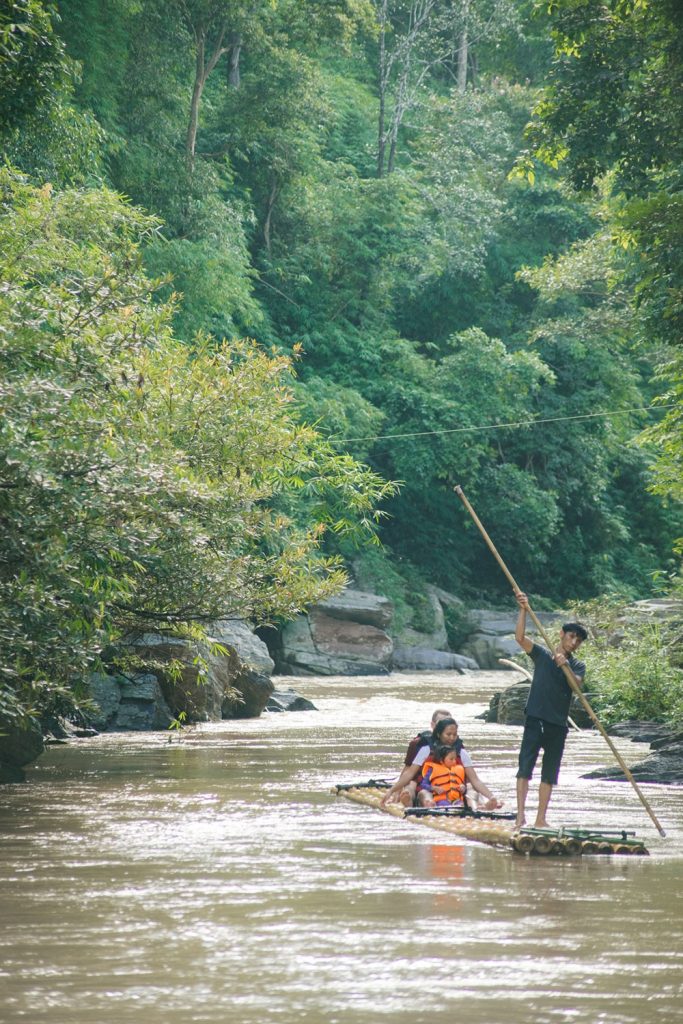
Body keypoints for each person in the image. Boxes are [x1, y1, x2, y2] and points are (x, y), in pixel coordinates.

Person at [514, 591, 588, 829]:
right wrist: (524, 609)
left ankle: (540, 819)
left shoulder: (577, 665)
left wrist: (565, 664)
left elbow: (576, 685)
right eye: (571, 637)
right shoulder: (543, 655)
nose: (574, 642)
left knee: (549, 774)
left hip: (557, 724)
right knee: (525, 768)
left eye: (578, 640)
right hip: (535, 719)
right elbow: (519, 638)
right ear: (562, 635)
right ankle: (520, 816)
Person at [380, 717, 502, 810]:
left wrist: (491, 796)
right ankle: (428, 805)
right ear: (439, 734)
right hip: (431, 790)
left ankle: (477, 808)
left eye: (454, 735)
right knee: (422, 792)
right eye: (448, 734)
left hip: (457, 792)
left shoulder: (461, 753)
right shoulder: (426, 750)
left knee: (471, 789)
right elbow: (410, 773)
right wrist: (392, 790)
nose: (452, 738)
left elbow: (475, 780)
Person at [399, 708, 454, 806]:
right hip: (421, 783)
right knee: (411, 785)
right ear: (433, 725)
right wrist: (396, 793)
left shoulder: (456, 746)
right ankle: (410, 800)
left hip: (447, 783)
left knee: (469, 787)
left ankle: (477, 805)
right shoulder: (418, 744)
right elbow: (407, 771)